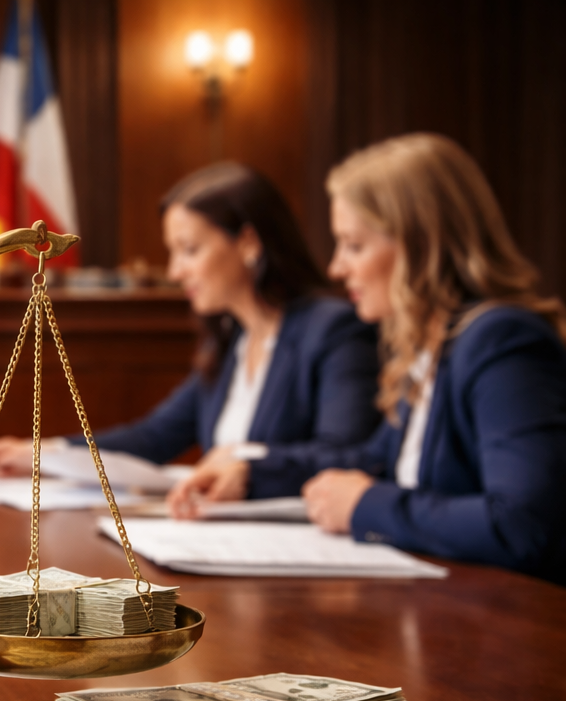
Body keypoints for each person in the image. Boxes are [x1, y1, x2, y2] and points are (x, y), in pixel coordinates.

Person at [176, 134, 566, 584]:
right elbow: (371, 459)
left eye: (354, 246)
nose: (338, 268)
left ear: (420, 247)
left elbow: (523, 524)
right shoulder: (430, 346)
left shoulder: (503, 342)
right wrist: (251, 474)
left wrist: (367, 505)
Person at [0, 163, 380, 498]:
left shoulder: (333, 331)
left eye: (189, 250)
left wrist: (250, 464)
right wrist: (44, 452)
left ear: (248, 243)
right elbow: (154, 437)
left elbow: (346, 454)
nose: (174, 271)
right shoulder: (233, 339)